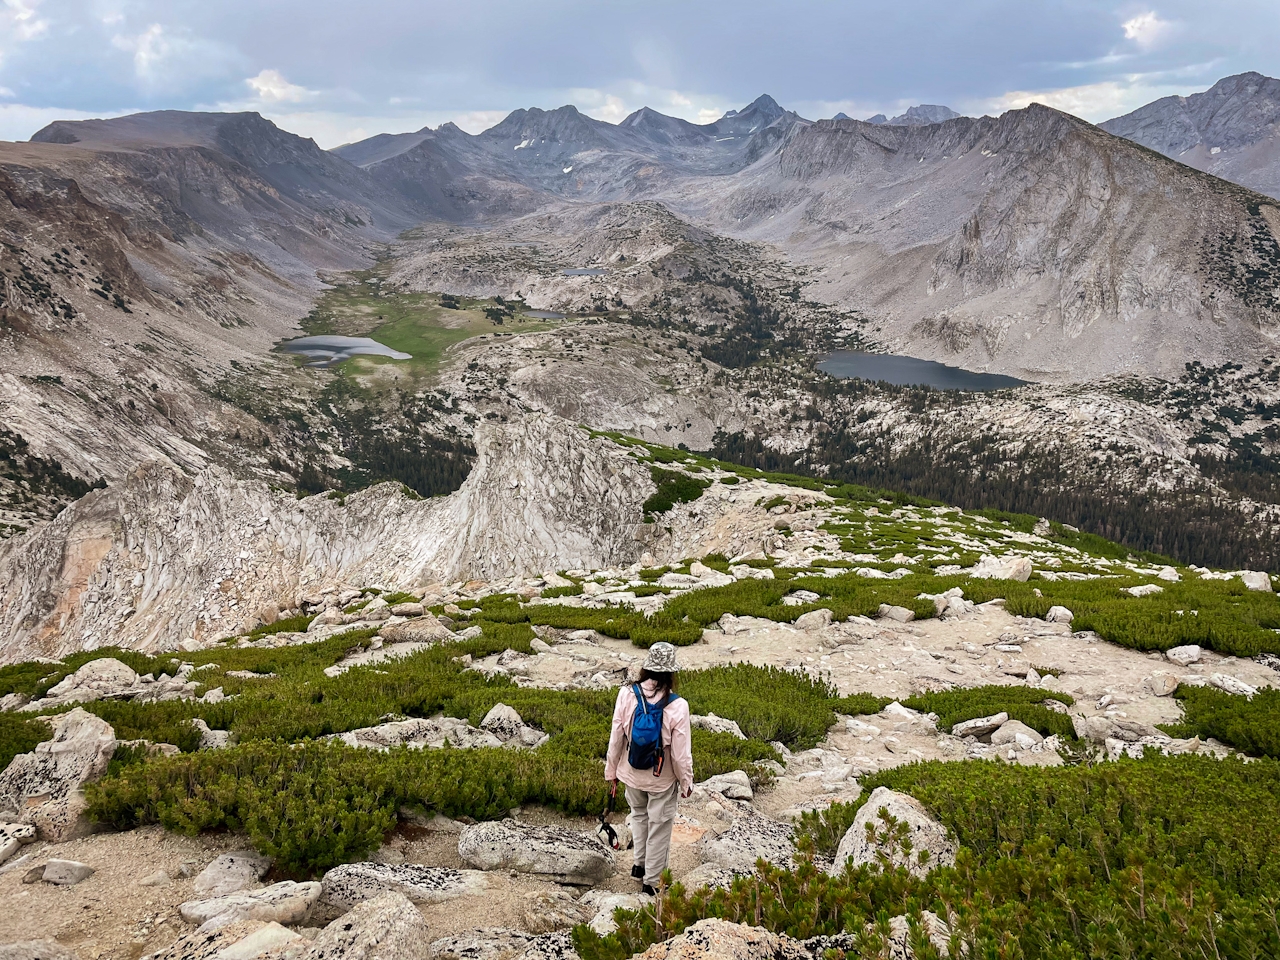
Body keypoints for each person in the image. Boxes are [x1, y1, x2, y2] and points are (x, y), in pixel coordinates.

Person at [604, 641, 693, 894]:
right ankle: (653, 883)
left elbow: (616, 737)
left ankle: (639, 867)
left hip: (631, 773)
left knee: (639, 817)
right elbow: (680, 754)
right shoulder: (678, 706)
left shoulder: (626, 695)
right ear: (671, 672)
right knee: (660, 825)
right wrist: (686, 782)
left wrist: (612, 772)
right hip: (660, 778)